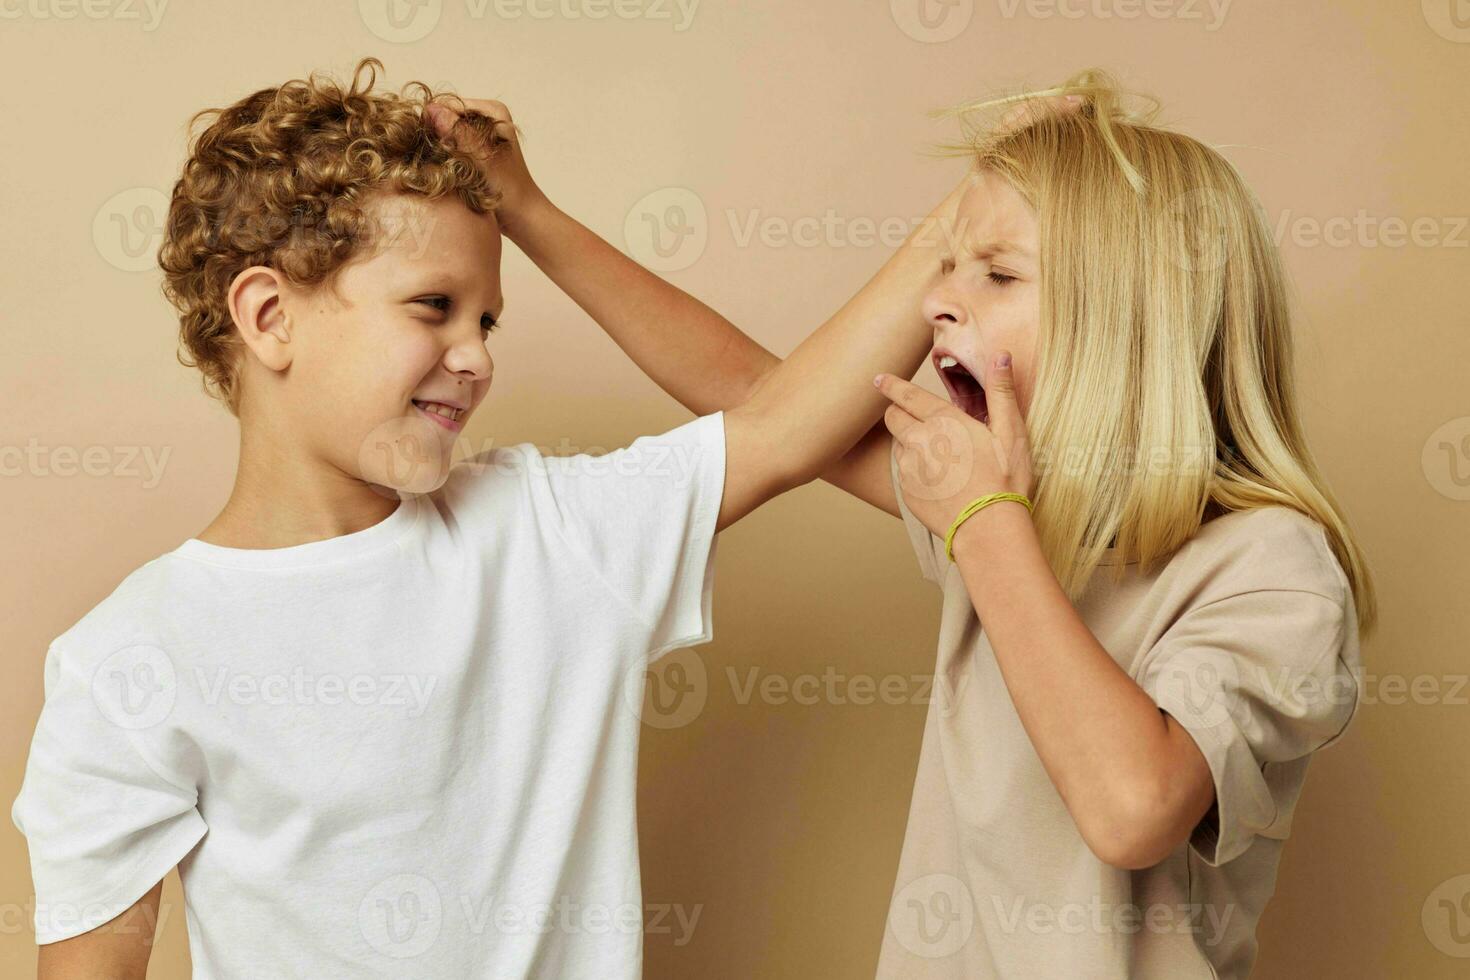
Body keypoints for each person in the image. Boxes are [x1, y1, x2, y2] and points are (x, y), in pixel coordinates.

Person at [10, 56, 972, 977]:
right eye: (434, 306)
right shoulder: (131, 659)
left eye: (488, 321)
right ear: (269, 319)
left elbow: (780, 425)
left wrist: (960, 229)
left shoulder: (546, 535)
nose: (476, 357)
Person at [453, 68, 1377, 978]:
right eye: (952, 273)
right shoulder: (1026, 512)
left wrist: (983, 520)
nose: (937, 304)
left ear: (1135, 318)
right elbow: (763, 405)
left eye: (999, 274)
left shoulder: (1273, 568)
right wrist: (526, 209)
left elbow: (1133, 809)